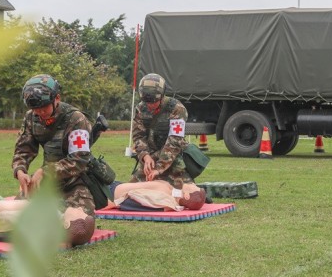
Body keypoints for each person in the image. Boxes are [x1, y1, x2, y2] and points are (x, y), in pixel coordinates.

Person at [11, 74, 115, 231]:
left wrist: (45, 171)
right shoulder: (31, 118)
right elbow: (23, 149)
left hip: (76, 184)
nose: (40, 113)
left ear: (57, 98)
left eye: (44, 107)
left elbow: (79, 160)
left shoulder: (76, 119)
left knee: (79, 225)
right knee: (16, 215)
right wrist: (20, 170)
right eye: (35, 109)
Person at [129, 73, 193, 188]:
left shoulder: (177, 109)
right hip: (151, 156)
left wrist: (159, 168)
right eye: (147, 102)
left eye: (153, 102)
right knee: (131, 189)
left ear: (162, 96)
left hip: (173, 157)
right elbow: (138, 136)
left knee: (186, 193)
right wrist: (145, 156)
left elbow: (175, 141)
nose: (150, 106)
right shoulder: (140, 109)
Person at [105, 180, 206, 212]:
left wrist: (114, 203)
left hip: (110, 191)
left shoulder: (165, 199)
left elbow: (135, 201)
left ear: (187, 196)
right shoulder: (170, 195)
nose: (193, 184)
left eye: (194, 187)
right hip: (114, 186)